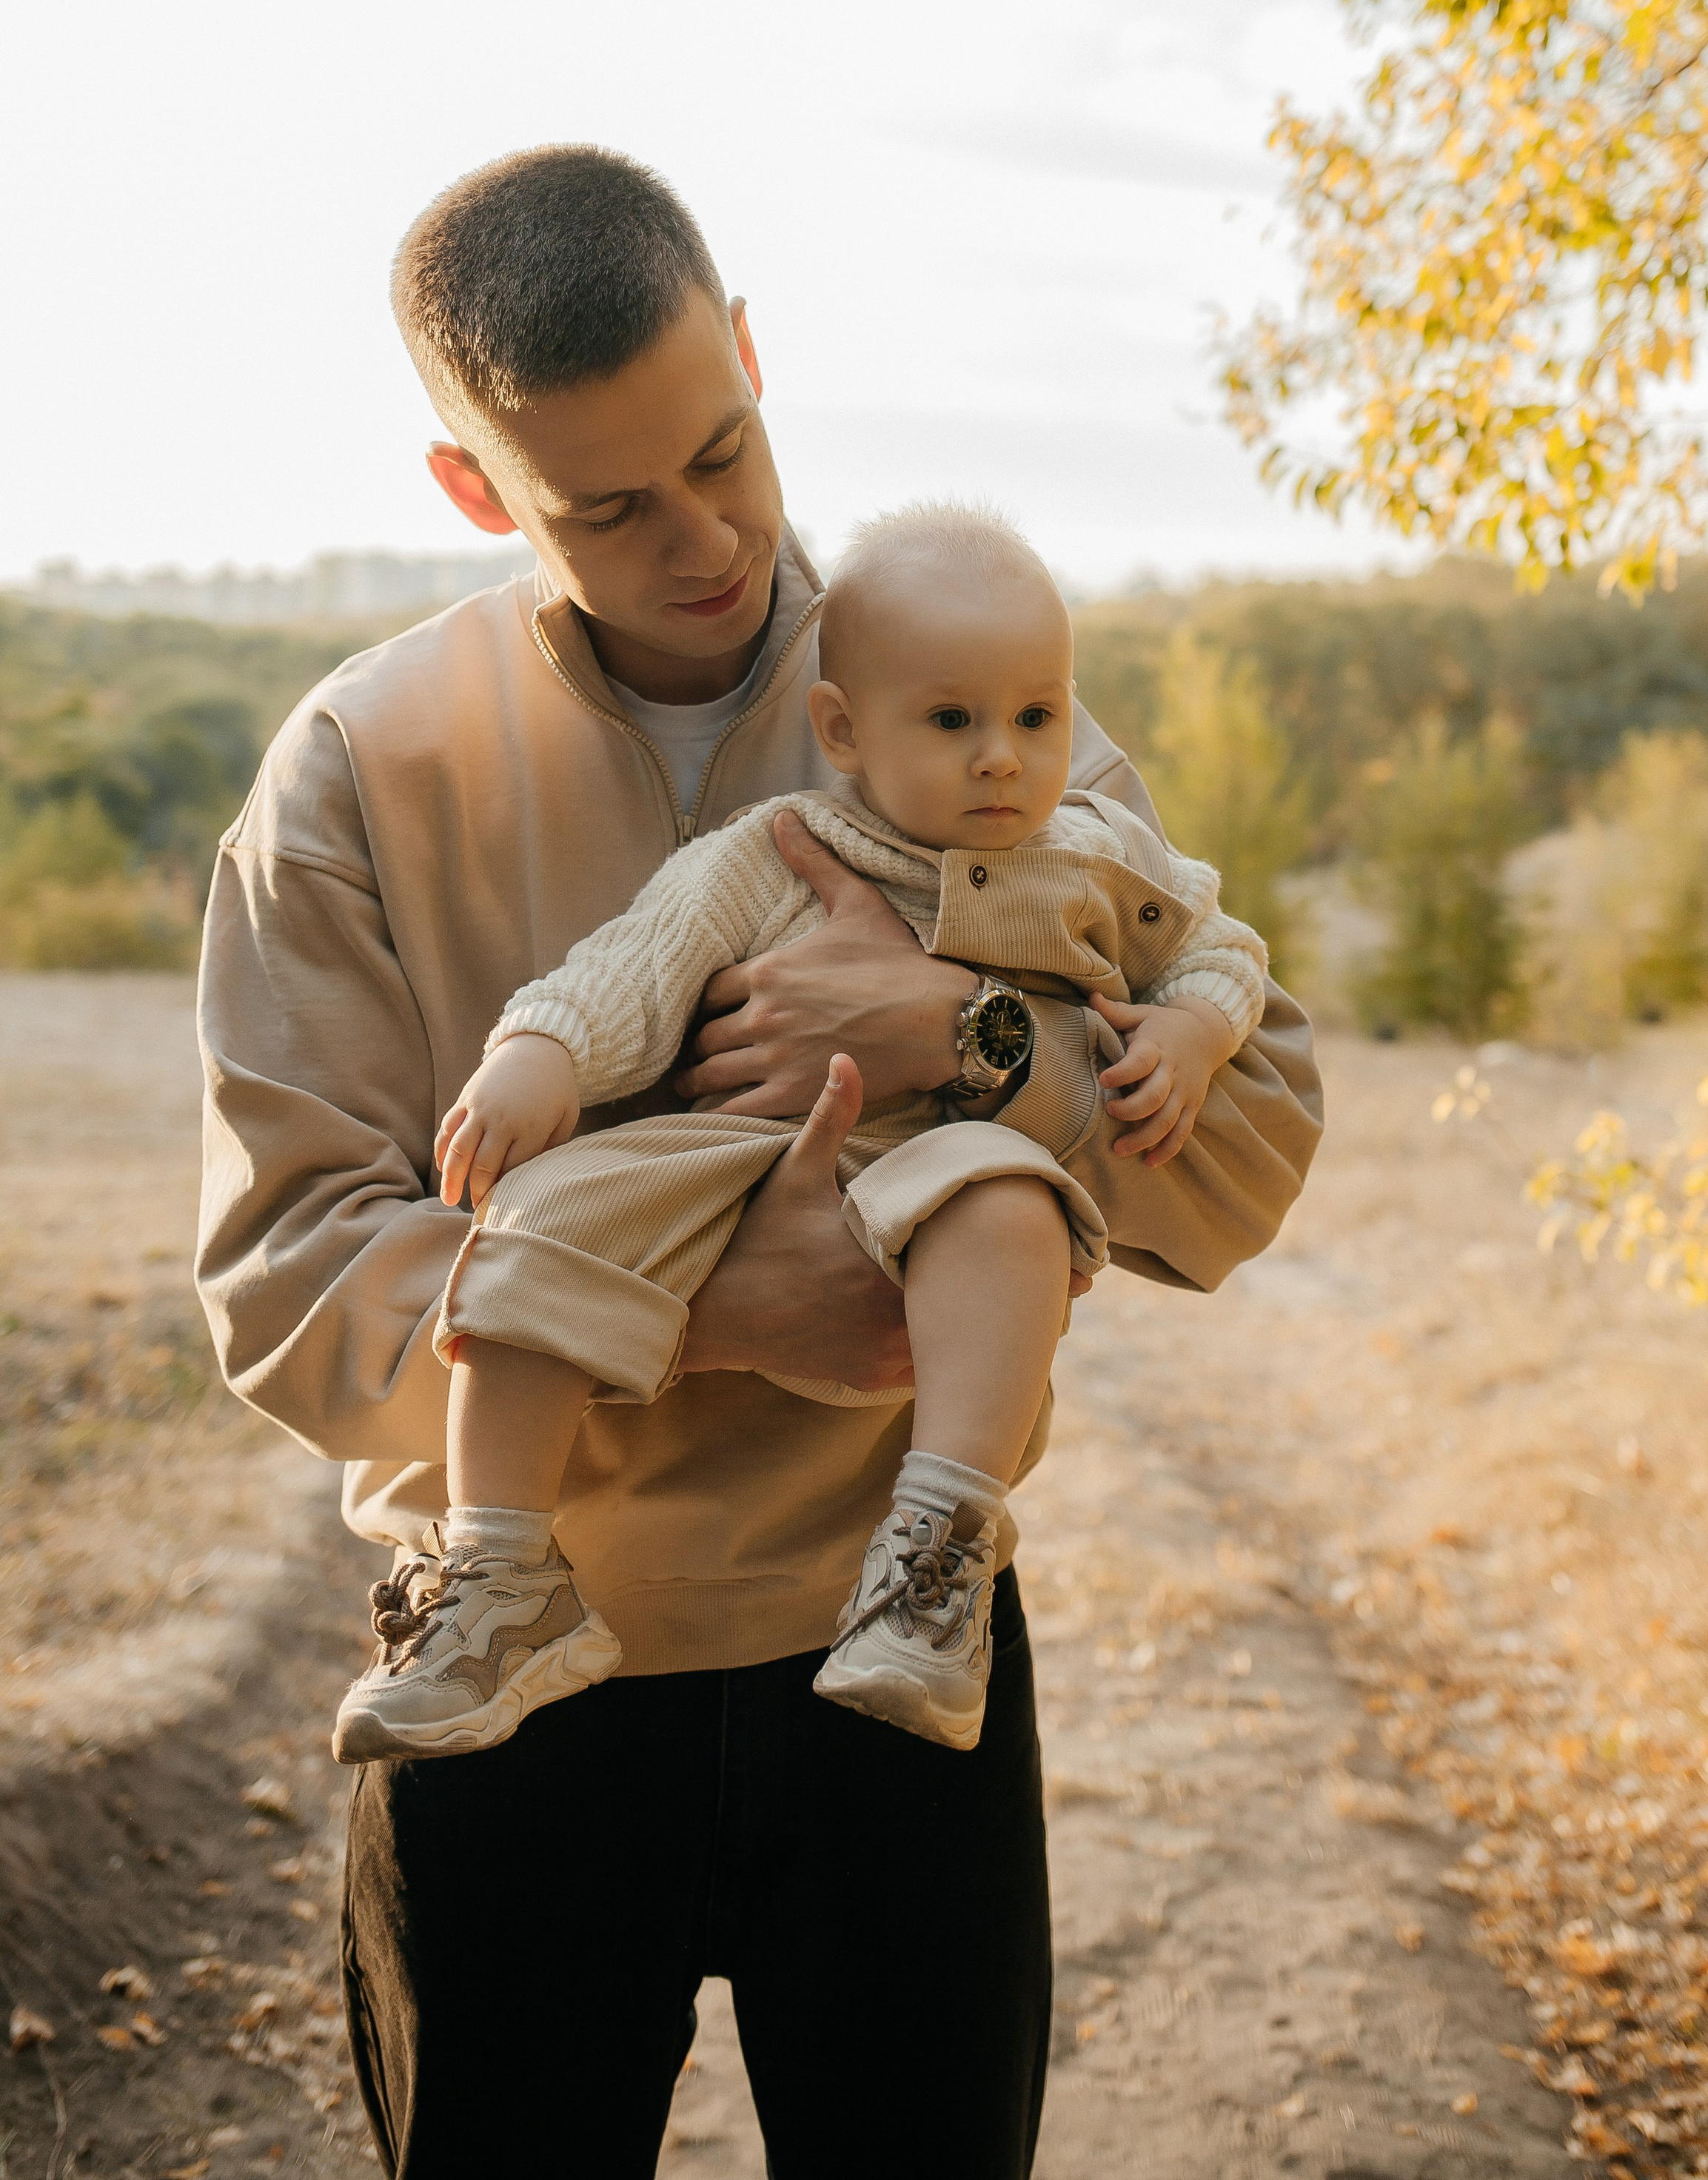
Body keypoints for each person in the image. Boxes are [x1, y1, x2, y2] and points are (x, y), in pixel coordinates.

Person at [195, 143, 1324, 2180]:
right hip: (511, 1701)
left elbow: (1245, 1153)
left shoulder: (965, 703)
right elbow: (283, 1274)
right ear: (475, 489)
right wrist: (715, 1313)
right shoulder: (358, 768)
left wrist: (981, 1044)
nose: (705, 537)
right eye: (610, 504)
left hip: (894, 1672)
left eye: (726, 446)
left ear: (753, 353)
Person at [329, 501, 1273, 1765]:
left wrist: (1195, 1036)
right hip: (735, 1162)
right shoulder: (778, 849)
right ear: (843, 733)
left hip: (937, 1168)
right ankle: (503, 1578)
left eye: (1036, 717)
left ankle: (932, 1567)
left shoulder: (1098, 859)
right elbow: (637, 969)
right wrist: (534, 1055)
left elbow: (1222, 953)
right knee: (532, 1226)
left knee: (1009, 1201)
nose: (1003, 757)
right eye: (953, 722)